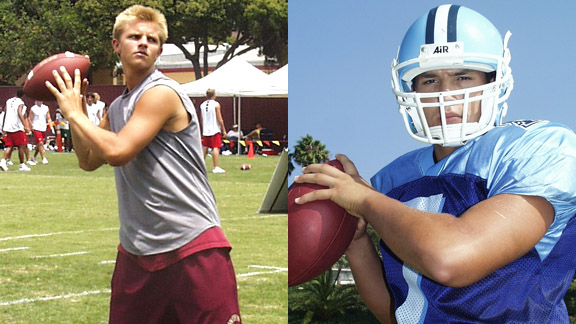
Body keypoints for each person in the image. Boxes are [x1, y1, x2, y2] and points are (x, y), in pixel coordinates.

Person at [294, 4, 576, 323]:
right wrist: (357, 242)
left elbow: (453, 259)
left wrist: (365, 200)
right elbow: (398, 312)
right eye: (429, 80)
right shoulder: (395, 178)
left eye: (463, 76)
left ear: (494, 79)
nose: (446, 94)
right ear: (410, 89)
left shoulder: (540, 147)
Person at [45, 5, 241, 324]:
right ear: (116, 45)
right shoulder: (119, 104)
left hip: (191, 246)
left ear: (160, 50)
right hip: (137, 254)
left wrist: (75, 115)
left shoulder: (161, 93)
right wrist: (77, 111)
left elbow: (119, 151)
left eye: (152, 39)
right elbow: (88, 160)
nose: (143, 43)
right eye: (134, 36)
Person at [0, 89, 31, 171]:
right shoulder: (20, 103)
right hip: (17, 127)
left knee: (9, 146)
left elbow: (5, 112)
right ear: (23, 95)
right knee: (21, 146)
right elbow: (19, 113)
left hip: (8, 126)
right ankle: (22, 165)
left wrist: (3, 126)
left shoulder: (8, 101)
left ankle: (3, 161)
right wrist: (25, 125)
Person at [200, 88, 226, 173]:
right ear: (214, 95)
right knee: (216, 147)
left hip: (205, 129)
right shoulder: (216, 104)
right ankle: (216, 167)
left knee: (205, 147)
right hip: (214, 129)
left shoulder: (202, 105)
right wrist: (223, 129)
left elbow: (201, 118)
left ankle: (200, 165)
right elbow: (219, 118)